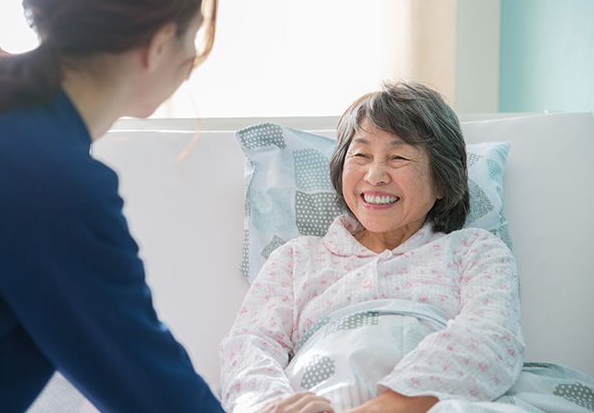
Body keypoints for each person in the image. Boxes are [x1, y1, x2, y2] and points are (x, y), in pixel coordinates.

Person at [0, 0, 225, 412]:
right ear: (157, 45)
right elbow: (154, 389)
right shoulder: (52, 187)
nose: (193, 56)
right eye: (194, 34)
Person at [219, 81, 526, 413]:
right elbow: (249, 348)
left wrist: (383, 408)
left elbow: (491, 338)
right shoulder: (296, 258)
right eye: (361, 155)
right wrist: (272, 407)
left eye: (397, 157)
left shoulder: (476, 251)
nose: (375, 175)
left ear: (441, 180)